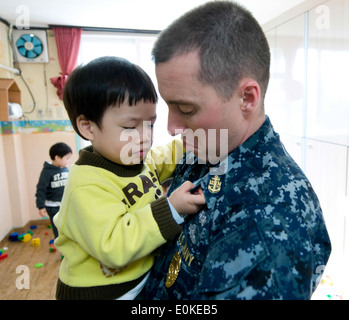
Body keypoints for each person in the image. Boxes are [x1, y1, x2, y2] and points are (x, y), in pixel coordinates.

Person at [143, 1, 331, 300]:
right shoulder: (207, 148)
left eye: (186, 108)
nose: (171, 127)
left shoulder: (268, 221)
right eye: (168, 105)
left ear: (246, 98)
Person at [53, 56, 205, 300]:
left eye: (150, 125)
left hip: (137, 283)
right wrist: (171, 209)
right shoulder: (86, 185)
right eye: (129, 127)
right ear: (88, 127)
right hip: (101, 294)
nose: (145, 137)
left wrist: (192, 139)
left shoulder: (137, 160)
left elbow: (167, 154)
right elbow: (114, 245)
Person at [35, 142, 72, 238]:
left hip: (65, 204)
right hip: (53, 207)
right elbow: (41, 189)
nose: (68, 161)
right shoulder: (47, 172)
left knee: (69, 227)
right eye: (67, 158)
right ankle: (62, 249)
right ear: (57, 158)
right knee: (58, 229)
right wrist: (41, 206)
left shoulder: (65, 169)